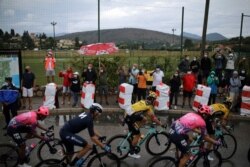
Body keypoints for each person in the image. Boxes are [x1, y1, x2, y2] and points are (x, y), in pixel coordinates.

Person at [124, 91, 163, 158]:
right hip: (130, 118)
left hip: (127, 114)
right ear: (153, 100)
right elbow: (153, 118)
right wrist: (161, 124)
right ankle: (131, 152)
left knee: (144, 119)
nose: (155, 102)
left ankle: (133, 131)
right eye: (155, 100)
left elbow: (143, 113)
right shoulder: (149, 107)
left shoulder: (143, 101)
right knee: (138, 135)